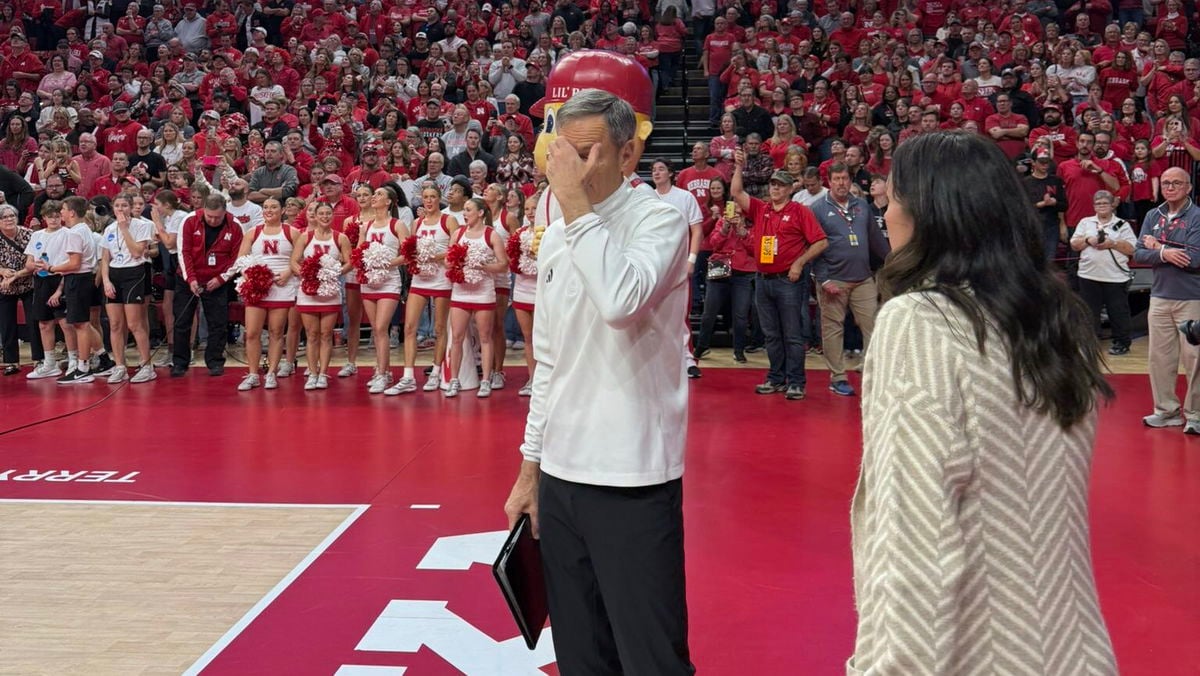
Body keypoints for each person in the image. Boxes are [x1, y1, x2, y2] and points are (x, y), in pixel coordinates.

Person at [849, 130, 1117, 674]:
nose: (885, 211)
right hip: (1070, 646)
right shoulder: (1054, 316)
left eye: (893, 197)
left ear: (930, 213)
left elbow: (914, 538)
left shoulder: (921, 321)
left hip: (974, 650)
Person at [503, 89, 695, 675]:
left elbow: (621, 300)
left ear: (629, 153)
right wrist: (529, 468)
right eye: (563, 151)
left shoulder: (659, 219)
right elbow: (550, 362)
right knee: (581, 655)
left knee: (651, 657)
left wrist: (571, 205)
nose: (570, 166)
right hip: (562, 477)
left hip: (632, 476)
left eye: (587, 153)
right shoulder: (560, 235)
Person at [730, 160, 828, 400]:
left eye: (780, 185)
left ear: (789, 189)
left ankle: (796, 381)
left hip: (788, 280)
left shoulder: (799, 211)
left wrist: (799, 263)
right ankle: (776, 377)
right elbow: (735, 192)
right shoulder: (761, 209)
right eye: (772, 184)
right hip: (763, 279)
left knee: (792, 334)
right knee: (771, 333)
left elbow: (821, 241)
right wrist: (739, 166)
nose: (775, 188)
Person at [811, 164, 889, 397]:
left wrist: (894, 263)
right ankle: (838, 377)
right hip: (833, 279)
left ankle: (873, 371)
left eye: (845, 178)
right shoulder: (817, 209)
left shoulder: (862, 206)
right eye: (837, 179)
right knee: (833, 330)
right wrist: (823, 280)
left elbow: (876, 241)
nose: (841, 183)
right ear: (829, 181)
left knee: (874, 326)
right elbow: (813, 247)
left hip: (863, 278)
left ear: (850, 179)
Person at [1133, 166, 1200, 432]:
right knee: (1160, 358)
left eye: (1176, 183)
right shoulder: (1153, 215)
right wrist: (1165, 254)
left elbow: (1194, 259)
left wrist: (1158, 246)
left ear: (1188, 188)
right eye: (1166, 183)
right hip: (1159, 297)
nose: (1170, 187)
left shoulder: (1196, 216)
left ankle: (1195, 415)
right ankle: (1166, 411)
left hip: (1191, 298)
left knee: (1195, 359)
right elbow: (1138, 254)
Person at [385, 185, 455, 396]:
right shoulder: (417, 222)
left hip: (441, 279)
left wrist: (434, 255)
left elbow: (456, 248)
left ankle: (435, 371)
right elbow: (411, 249)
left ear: (439, 198)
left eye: (433, 196)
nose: (429, 200)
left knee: (440, 328)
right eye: (426, 197)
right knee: (409, 327)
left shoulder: (448, 220)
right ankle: (408, 377)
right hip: (420, 279)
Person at [172, 193, 244, 378]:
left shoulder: (236, 226)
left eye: (217, 217)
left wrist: (221, 279)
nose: (212, 220)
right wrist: (191, 279)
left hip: (217, 280)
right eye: (209, 216)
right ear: (203, 210)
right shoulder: (189, 221)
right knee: (181, 321)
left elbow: (237, 259)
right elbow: (183, 252)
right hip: (188, 279)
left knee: (218, 323)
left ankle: (215, 361)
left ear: (225, 212)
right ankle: (180, 362)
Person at [444, 197, 508, 398]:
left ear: (480, 212)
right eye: (463, 210)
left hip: (483, 292)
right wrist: (457, 264)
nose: (464, 213)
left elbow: (503, 264)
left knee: (485, 338)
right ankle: (454, 380)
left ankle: (486, 380)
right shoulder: (458, 233)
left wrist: (483, 266)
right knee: (456, 337)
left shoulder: (492, 235)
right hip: (461, 291)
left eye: (468, 209)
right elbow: (447, 261)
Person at [233, 198, 298, 391]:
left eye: (274, 207)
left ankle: (271, 373)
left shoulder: (292, 232)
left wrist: (288, 272)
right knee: (252, 333)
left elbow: (300, 259)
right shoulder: (252, 232)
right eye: (266, 207)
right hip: (257, 287)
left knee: (276, 332)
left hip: (281, 286)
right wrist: (250, 276)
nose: (269, 210)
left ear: (283, 210)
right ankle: (253, 374)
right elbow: (241, 260)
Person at [290, 201, 352, 391]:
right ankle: (312, 372)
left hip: (329, 291)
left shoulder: (340, 237)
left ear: (332, 216)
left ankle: (323, 373)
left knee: (326, 334)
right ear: (315, 216)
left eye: (328, 214)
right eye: (321, 214)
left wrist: (334, 273)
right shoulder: (305, 236)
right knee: (312, 334)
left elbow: (350, 263)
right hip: (308, 291)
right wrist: (306, 274)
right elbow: (294, 261)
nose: (325, 217)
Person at [1071, 190, 1137, 357]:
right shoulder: (1086, 222)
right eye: (1098, 204)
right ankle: (1089, 343)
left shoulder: (1122, 225)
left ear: (1112, 205)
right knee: (1089, 312)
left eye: (1105, 203)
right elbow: (1074, 244)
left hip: (1115, 277)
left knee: (1118, 312)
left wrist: (1112, 243)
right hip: (1088, 275)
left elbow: (1132, 249)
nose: (1101, 206)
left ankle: (1121, 342)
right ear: (1094, 206)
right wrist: (1088, 240)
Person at [99, 195, 156, 384]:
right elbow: (105, 258)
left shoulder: (142, 226)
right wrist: (106, 281)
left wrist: (124, 229)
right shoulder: (108, 229)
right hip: (115, 274)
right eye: (117, 205)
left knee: (134, 324)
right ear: (112, 208)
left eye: (125, 205)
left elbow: (137, 252)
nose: (121, 208)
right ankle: (120, 366)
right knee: (115, 324)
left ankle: (146, 365)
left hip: (134, 272)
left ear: (131, 208)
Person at [357, 186, 409, 394]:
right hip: (369, 280)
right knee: (376, 331)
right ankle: (383, 370)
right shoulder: (367, 225)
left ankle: (382, 373)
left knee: (380, 328)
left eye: (379, 194)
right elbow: (359, 253)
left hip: (389, 279)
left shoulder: (397, 224)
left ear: (388, 202)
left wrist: (386, 263)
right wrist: (367, 258)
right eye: (375, 194)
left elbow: (406, 254)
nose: (374, 197)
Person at [22, 200, 77, 381]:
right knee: (44, 323)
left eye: (56, 216)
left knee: (66, 323)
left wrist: (59, 290)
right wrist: (35, 266)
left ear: (61, 216)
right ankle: (49, 363)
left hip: (61, 278)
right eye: (49, 217)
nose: (53, 220)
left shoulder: (68, 233)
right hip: (41, 280)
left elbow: (71, 264)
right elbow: (28, 262)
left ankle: (73, 361)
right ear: (43, 218)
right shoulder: (37, 235)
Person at [56, 196, 102, 384]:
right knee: (85, 323)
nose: (61, 212)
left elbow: (74, 263)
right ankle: (103, 357)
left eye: (63, 209)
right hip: (85, 278)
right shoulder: (85, 229)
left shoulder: (74, 232)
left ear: (72, 212)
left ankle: (83, 368)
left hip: (77, 279)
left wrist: (51, 268)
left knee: (80, 324)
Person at [0, 203, 41, 376]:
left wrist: (16, 275)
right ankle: (11, 361)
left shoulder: (29, 234)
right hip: (4, 285)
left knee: (34, 321)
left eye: (12, 216)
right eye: (4, 217)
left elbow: (35, 261)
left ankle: (39, 359)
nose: (9, 219)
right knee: (6, 324)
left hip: (28, 281)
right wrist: (2, 272)